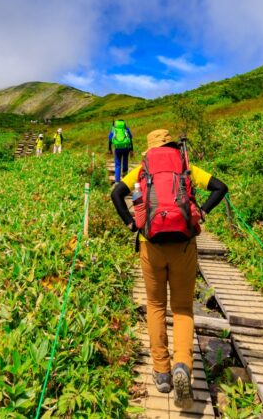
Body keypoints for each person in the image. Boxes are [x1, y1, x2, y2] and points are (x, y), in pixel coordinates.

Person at [110, 129, 229, 409]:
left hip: (150, 244)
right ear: (172, 146)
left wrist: (131, 223)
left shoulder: (141, 169)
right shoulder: (185, 166)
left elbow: (117, 193)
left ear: (150, 149)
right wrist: (202, 213)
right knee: (184, 308)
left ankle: (162, 373)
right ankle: (183, 367)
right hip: (184, 244)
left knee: (154, 305)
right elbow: (220, 187)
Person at [107, 118, 134, 183]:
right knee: (125, 162)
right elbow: (130, 139)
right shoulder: (126, 128)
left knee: (117, 165)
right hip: (126, 148)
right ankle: (125, 179)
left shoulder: (114, 129)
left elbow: (110, 140)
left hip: (117, 148)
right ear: (123, 123)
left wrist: (110, 149)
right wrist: (131, 150)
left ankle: (117, 182)